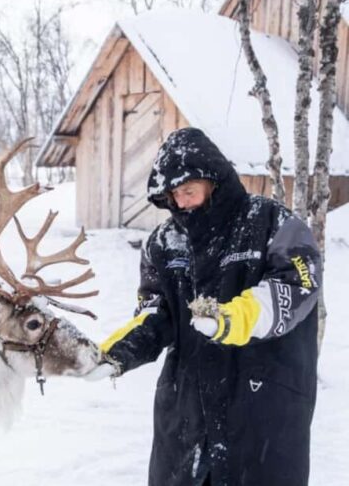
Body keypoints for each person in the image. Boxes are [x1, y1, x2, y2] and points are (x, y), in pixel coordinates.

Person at [85, 127, 321, 486]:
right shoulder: (163, 243)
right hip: (187, 412)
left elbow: (298, 283)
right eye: (173, 195)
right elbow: (155, 311)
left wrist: (235, 318)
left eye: (188, 191)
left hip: (260, 407)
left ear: (213, 180)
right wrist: (118, 352)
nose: (180, 203)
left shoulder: (271, 223)